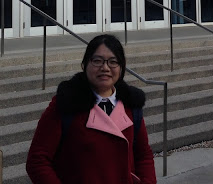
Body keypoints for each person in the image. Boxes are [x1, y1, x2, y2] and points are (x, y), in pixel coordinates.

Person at [26, 34, 157, 184]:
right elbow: (37, 160)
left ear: (121, 68)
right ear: (84, 65)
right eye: (97, 61)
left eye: (113, 62)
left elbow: (143, 155)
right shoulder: (66, 103)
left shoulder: (131, 105)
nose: (105, 68)